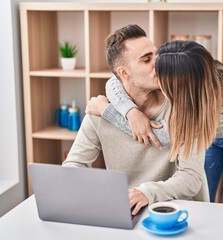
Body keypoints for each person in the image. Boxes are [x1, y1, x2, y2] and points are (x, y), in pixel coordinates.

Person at [87, 33, 223, 205]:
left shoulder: (198, 98)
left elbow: (162, 135)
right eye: (149, 59)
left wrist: (108, 112)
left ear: (180, 82)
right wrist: (131, 112)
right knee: (207, 194)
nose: (154, 68)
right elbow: (115, 81)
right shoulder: (176, 64)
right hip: (208, 136)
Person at [62, 24, 205, 216]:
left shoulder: (184, 106)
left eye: (157, 55)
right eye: (147, 60)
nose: (159, 63)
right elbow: (74, 166)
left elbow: (191, 178)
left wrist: (146, 193)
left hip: (173, 210)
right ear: (124, 73)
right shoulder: (99, 112)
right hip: (125, 209)